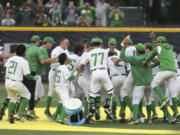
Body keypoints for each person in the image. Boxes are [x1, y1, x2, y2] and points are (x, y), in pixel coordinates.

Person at [143, 36, 180, 123]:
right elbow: (159, 61)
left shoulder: (159, 48)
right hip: (174, 72)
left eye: (157, 42)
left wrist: (145, 61)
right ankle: (176, 113)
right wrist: (151, 66)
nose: (156, 44)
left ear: (160, 42)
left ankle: (164, 99)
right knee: (173, 94)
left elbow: (151, 55)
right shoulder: (170, 50)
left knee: (153, 84)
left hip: (165, 70)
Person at [79, 38, 114, 123]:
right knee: (110, 91)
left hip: (94, 73)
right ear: (101, 44)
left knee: (93, 95)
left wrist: (84, 65)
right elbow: (113, 52)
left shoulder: (88, 53)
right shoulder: (105, 51)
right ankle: (107, 103)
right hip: (104, 72)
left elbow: (82, 65)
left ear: (92, 44)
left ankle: (92, 108)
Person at [5, 44, 37, 124]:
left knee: (12, 99)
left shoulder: (11, 58)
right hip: (16, 82)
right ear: (24, 52)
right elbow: (27, 75)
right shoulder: (24, 61)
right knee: (27, 95)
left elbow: (5, 68)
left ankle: (9, 119)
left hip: (7, 81)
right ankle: (19, 114)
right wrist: (34, 78)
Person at [44, 37, 69, 119]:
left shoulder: (66, 51)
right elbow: (53, 60)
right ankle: (47, 109)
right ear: (61, 43)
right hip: (54, 71)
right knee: (51, 92)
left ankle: (59, 113)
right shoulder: (56, 50)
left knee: (63, 92)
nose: (67, 44)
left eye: (68, 42)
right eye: (66, 42)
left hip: (61, 72)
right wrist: (61, 60)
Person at [52, 53, 79, 124]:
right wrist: (77, 71)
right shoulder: (64, 68)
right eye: (67, 57)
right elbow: (70, 78)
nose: (68, 58)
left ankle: (55, 116)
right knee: (66, 103)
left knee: (61, 101)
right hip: (62, 88)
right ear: (65, 59)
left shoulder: (59, 67)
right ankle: (61, 118)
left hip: (58, 87)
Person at [24, 35, 44, 119]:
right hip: (32, 72)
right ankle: (30, 111)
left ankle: (20, 110)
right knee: (32, 92)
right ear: (37, 42)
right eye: (39, 41)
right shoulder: (37, 49)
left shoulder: (26, 47)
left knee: (24, 91)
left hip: (24, 71)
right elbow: (42, 61)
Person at [34, 37, 57, 111]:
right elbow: (45, 60)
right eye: (51, 43)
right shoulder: (43, 49)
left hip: (37, 74)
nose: (52, 45)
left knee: (41, 93)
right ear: (47, 42)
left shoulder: (42, 49)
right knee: (35, 95)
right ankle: (28, 110)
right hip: (35, 74)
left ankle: (30, 109)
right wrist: (57, 59)